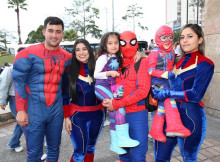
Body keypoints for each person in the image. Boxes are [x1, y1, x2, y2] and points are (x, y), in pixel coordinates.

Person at [12, 16, 72, 161]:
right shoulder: (27, 53)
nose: (54, 35)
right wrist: (20, 110)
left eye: (58, 31)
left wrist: (67, 114)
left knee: (54, 149)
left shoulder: (68, 57)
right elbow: (19, 82)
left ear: (62, 34)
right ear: (44, 31)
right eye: (51, 31)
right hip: (34, 110)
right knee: (34, 153)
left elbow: (66, 88)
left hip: (56, 110)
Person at [152, 24, 214, 161]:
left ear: (200, 39)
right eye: (182, 37)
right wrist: (156, 90)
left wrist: (167, 93)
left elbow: (195, 95)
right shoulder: (173, 60)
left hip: (190, 117)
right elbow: (157, 77)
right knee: (160, 157)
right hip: (168, 114)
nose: (185, 40)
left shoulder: (206, 63)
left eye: (190, 36)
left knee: (188, 157)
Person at [103, 31, 151, 162]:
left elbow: (142, 91)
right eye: (123, 43)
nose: (128, 46)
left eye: (132, 42)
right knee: (123, 154)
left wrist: (116, 104)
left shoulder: (142, 62)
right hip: (119, 115)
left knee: (138, 154)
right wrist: (107, 101)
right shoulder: (114, 62)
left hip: (137, 114)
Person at [94, 32, 140, 155]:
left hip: (112, 88)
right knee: (119, 106)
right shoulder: (103, 58)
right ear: (104, 45)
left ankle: (115, 144)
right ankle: (123, 138)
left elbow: (129, 55)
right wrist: (109, 73)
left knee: (114, 114)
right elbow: (95, 74)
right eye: (110, 43)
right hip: (101, 87)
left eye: (116, 43)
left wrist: (138, 53)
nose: (114, 45)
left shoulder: (118, 55)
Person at [62, 39, 104, 162]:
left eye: (84, 49)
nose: (81, 52)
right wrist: (66, 118)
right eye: (77, 50)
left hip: (98, 115)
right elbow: (65, 96)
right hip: (78, 117)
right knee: (80, 152)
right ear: (74, 52)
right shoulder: (69, 70)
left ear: (89, 51)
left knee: (91, 148)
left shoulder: (99, 67)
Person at [148, 25, 191, 143]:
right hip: (157, 83)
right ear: (158, 38)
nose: (167, 41)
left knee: (162, 107)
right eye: (163, 37)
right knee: (169, 98)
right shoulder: (155, 52)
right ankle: (174, 125)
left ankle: (155, 131)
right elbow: (150, 70)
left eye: (170, 37)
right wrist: (165, 74)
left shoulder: (172, 51)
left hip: (168, 82)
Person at [0, 64, 47, 160]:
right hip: (14, 98)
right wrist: (2, 100)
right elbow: (4, 84)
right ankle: (37, 153)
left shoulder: (31, 67)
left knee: (21, 122)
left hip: (28, 97)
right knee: (26, 123)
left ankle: (14, 143)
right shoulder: (10, 69)